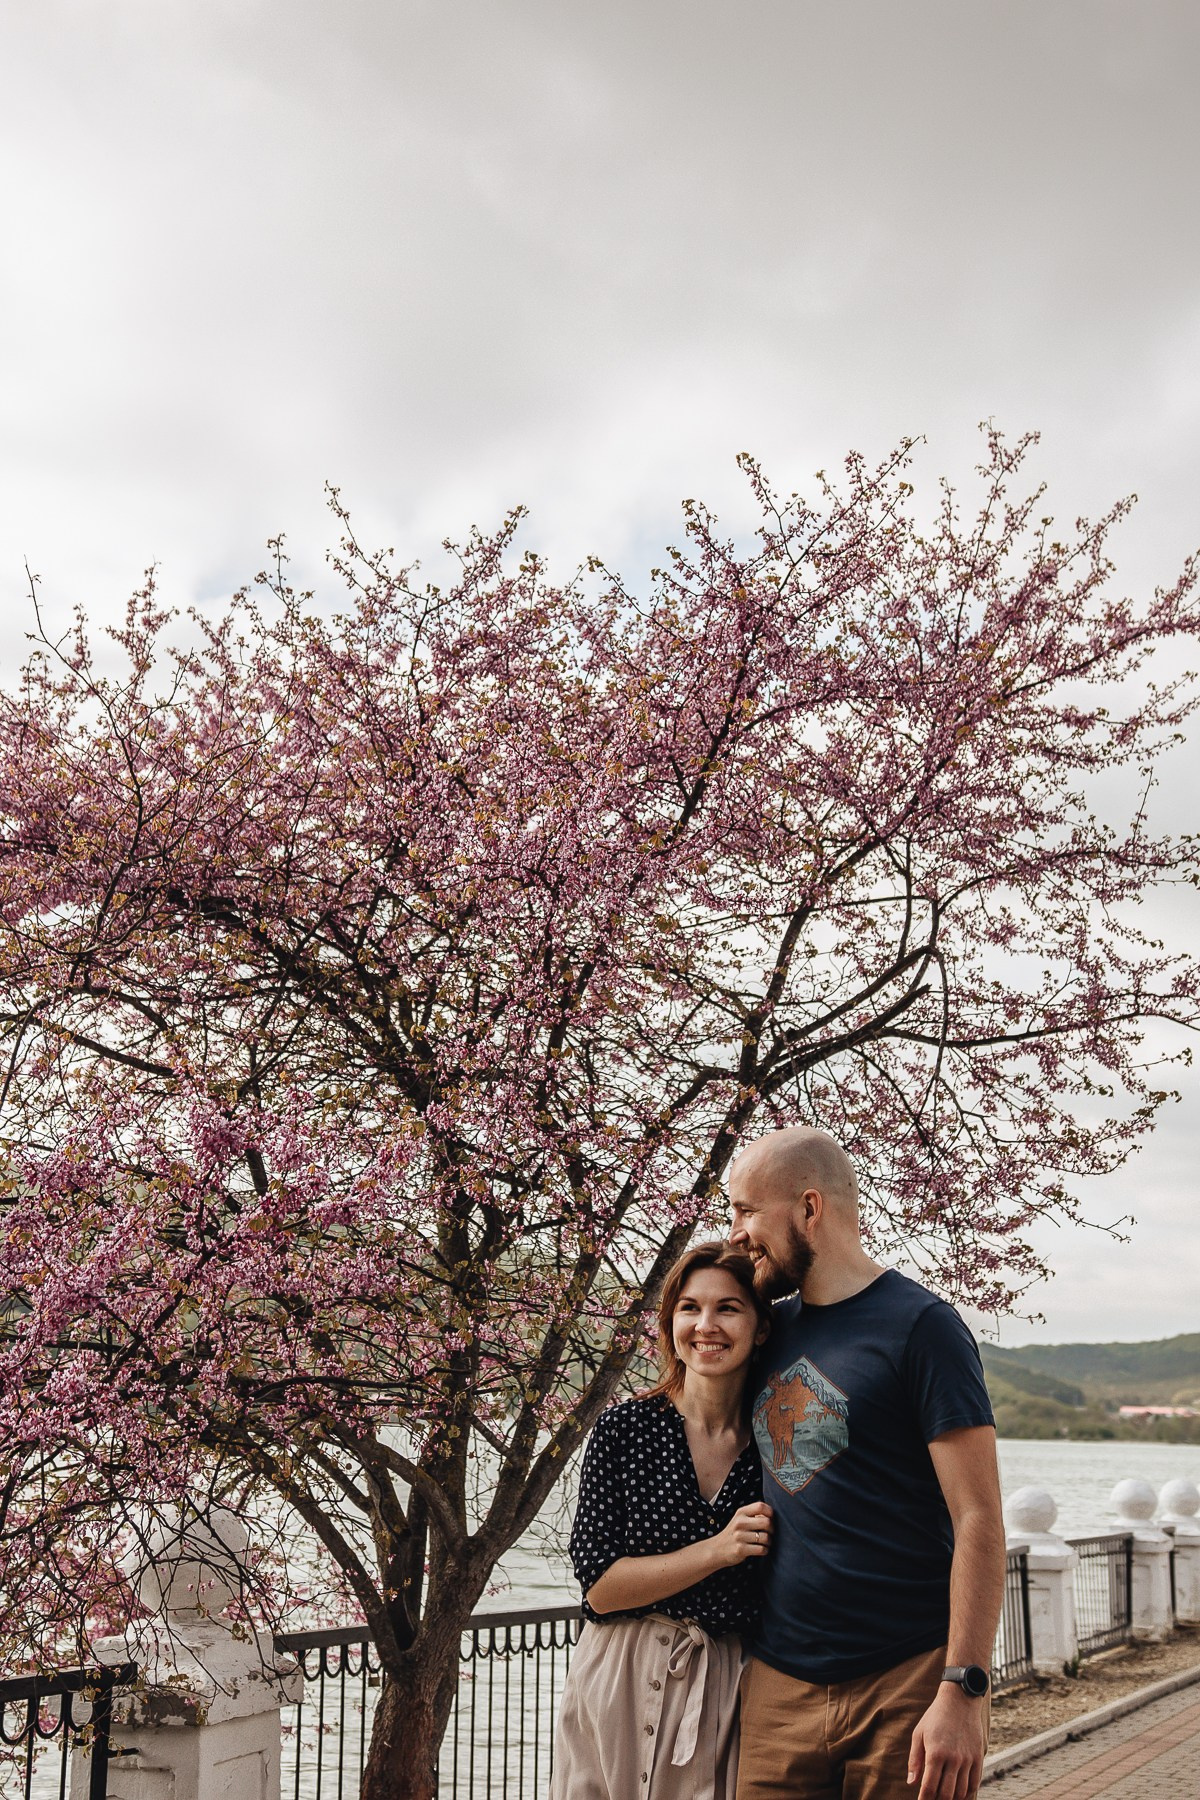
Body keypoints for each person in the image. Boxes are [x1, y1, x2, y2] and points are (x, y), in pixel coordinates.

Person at [728, 1127, 1005, 1800]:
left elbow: (979, 1518)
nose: (735, 1233)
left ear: (809, 1209)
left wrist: (963, 1689)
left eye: (746, 1211)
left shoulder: (923, 1328)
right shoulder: (768, 1329)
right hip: (779, 1686)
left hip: (905, 1680)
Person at [551, 1241, 775, 1800]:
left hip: (726, 1684)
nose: (706, 1325)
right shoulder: (623, 1430)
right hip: (619, 1674)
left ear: (761, 1329)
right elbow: (601, 1588)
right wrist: (718, 1550)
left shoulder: (777, 1447)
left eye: (728, 1308)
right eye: (689, 1307)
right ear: (671, 1322)